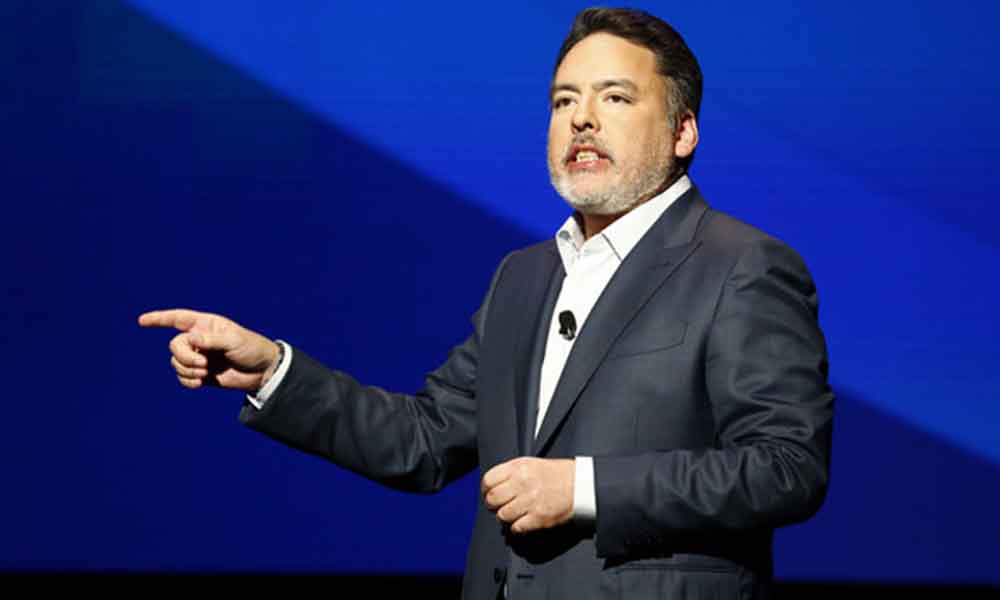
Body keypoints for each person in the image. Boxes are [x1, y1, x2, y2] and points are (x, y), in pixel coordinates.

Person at [139, 7, 832, 599]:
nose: (582, 120)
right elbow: (424, 440)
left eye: (615, 98)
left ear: (683, 132)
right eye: (563, 101)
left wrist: (583, 489)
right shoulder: (523, 276)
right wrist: (273, 372)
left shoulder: (740, 265)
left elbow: (786, 468)